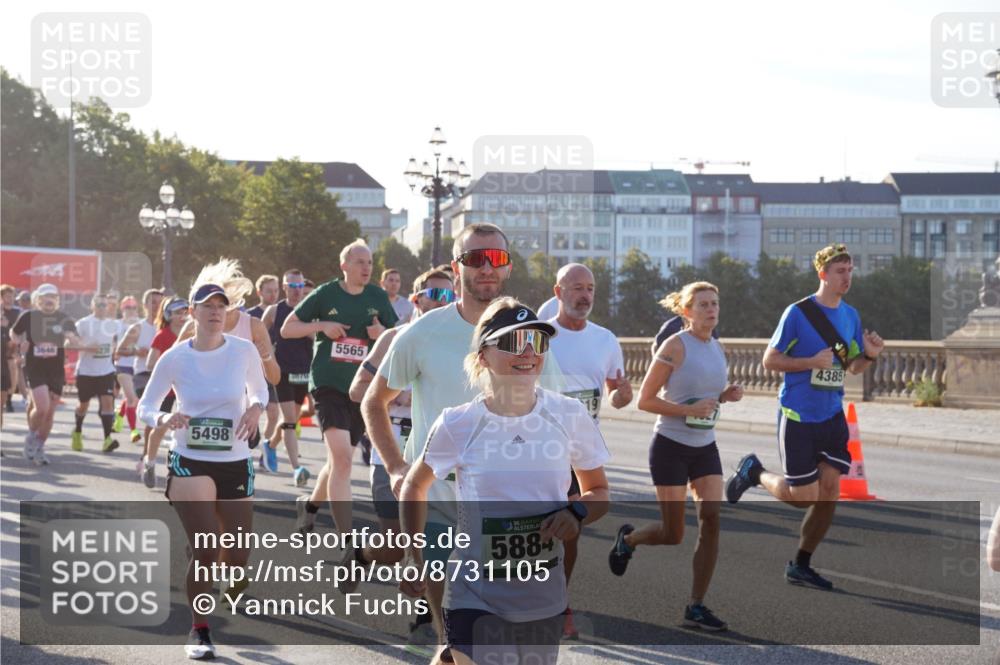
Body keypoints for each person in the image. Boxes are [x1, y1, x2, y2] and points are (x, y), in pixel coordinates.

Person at [362, 223, 566, 658]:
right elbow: (372, 402)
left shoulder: (528, 334)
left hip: (507, 510)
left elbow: (555, 413)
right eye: (475, 258)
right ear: (457, 268)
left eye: (496, 258)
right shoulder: (420, 334)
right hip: (438, 503)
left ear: (507, 267)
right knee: (454, 639)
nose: (486, 267)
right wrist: (398, 467)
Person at [398, 298, 610, 665]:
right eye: (513, 342)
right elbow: (414, 486)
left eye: (537, 341)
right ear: (483, 356)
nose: (529, 351)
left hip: (542, 593)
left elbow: (600, 492)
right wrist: (412, 556)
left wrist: (576, 512)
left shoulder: (568, 415)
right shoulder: (458, 423)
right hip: (473, 591)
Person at [725, 244, 884, 590]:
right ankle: (755, 472)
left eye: (850, 270)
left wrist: (869, 356)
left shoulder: (851, 316)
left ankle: (801, 563)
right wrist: (810, 362)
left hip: (832, 416)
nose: (847, 277)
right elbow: (770, 360)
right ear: (823, 274)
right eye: (840, 271)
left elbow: (852, 367)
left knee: (829, 492)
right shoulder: (797, 313)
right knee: (803, 497)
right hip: (797, 415)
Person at [138, 283, 267, 660]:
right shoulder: (176, 358)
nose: (214, 311)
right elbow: (147, 405)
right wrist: (165, 417)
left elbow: (260, 391)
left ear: (227, 314)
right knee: (207, 548)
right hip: (189, 458)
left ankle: (222, 573)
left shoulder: (243, 351)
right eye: (206, 306)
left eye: (221, 306)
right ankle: (200, 629)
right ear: (191, 313)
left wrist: (256, 409)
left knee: (238, 553)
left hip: (235, 460)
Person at [609, 281, 743, 631]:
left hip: (705, 447)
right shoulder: (675, 346)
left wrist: (726, 395)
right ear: (687, 311)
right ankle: (629, 540)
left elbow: (705, 397)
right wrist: (689, 411)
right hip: (670, 446)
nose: (711, 310)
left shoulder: (717, 347)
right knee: (673, 533)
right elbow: (646, 400)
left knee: (711, 519)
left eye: (715, 303)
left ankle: (696, 606)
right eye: (702, 305)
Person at [349, 267, 456, 657]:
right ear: (416, 299)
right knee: (397, 545)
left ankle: (438, 623)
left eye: (449, 295)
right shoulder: (396, 338)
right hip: (392, 455)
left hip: (437, 462)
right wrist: (399, 398)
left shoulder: (458, 341)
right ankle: (362, 554)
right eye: (436, 295)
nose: (444, 302)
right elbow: (359, 389)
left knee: (439, 541)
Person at [281, 239, 397, 559]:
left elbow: (398, 337)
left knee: (337, 462)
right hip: (328, 385)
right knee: (343, 459)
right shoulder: (326, 294)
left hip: (362, 390)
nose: (366, 268)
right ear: (344, 265)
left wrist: (380, 335)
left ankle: (310, 506)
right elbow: (288, 329)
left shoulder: (377, 297)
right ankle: (347, 541)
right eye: (359, 262)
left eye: (370, 262)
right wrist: (322, 325)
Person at [545, 262, 632, 639]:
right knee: (532, 532)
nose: (585, 295)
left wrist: (622, 394)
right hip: (540, 448)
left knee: (570, 531)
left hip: (581, 454)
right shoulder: (541, 335)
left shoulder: (605, 339)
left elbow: (616, 387)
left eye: (591, 288)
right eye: (576, 287)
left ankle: (559, 603)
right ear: (558, 291)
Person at [9, 284, 83, 464]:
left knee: (49, 413)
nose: (49, 300)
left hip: (56, 370)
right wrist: (19, 342)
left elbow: (75, 338)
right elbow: (14, 332)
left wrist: (72, 338)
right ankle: (32, 437)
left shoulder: (64, 318)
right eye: (45, 297)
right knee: (42, 407)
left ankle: (40, 446)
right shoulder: (29, 316)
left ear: (57, 300)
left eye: (52, 297)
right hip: (36, 367)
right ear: (38, 300)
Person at [259, 269, 313, 485]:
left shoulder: (310, 312)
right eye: (292, 286)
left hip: (304, 371)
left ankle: (270, 445)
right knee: (290, 421)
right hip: (282, 372)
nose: (296, 291)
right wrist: (268, 357)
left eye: (300, 287)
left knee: (293, 417)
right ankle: (296, 468)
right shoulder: (274, 311)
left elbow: (317, 337)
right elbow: (259, 335)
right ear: (285, 287)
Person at [139, 297, 190, 486]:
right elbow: (150, 363)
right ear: (168, 315)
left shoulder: (195, 333)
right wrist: (170, 370)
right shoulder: (162, 335)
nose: (182, 317)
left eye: (185, 312)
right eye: (177, 313)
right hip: (167, 391)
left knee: (190, 428)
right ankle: (149, 462)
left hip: (187, 390)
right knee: (159, 429)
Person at [117, 289, 165, 480]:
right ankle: (146, 457)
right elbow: (120, 350)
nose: (157, 306)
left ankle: (147, 456)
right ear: (145, 305)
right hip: (143, 375)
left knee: (161, 421)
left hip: (166, 377)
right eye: (153, 302)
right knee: (153, 418)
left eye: (160, 302)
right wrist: (137, 351)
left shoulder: (169, 328)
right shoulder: (138, 327)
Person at [71, 293, 122, 454]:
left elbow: (115, 343)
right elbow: (68, 343)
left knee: (108, 403)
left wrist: (119, 350)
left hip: (106, 371)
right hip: (86, 372)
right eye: (98, 305)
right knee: (83, 405)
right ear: (92, 306)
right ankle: (77, 431)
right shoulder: (83, 323)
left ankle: (107, 440)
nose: (101, 308)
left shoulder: (113, 325)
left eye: (104, 305)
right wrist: (86, 347)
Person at [248, 274, 282, 448]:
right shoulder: (250, 316)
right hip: (251, 370)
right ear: (259, 291)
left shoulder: (280, 313)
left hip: (270, 368)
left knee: (274, 413)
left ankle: (266, 450)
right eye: (269, 291)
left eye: (276, 290)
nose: (273, 295)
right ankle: (245, 442)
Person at [112, 295, 143, 441]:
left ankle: (119, 414)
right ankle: (134, 431)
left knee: (131, 397)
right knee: (132, 398)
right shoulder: (116, 324)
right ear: (122, 309)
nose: (131, 310)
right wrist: (113, 353)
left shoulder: (141, 324)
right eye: (127, 307)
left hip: (136, 365)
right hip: (122, 365)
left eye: (133, 307)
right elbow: (111, 342)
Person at [652, 312, 718, 354]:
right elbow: (657, 346)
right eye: (703, 304)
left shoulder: (708, 327)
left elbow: (714, 345)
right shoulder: (671, 326)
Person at [1, 284, 21, 421]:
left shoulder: (18, 312)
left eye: (11, 296)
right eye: (6, 296)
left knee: (13, 371)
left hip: (12, 346)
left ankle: (9, 399)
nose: (9, 299)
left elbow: (22, 330)